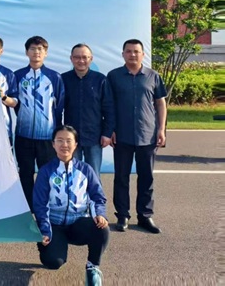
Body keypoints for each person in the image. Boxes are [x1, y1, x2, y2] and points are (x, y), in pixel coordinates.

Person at [33, 126, 109, 286]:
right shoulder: (45, 171)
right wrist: (45, 230)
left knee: (102, 228)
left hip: (77, 223)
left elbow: (97, 197)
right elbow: (40, 205)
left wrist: (99, 214)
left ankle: (92, 268)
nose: (64, 145)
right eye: (60, 141)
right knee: (54, 262)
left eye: (69, 141)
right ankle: (47, 245)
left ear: (75, 145)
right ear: (53, 144)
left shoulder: (86, 170)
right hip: (54, 225)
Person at [107, 39, 167, 234]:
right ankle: (122, 215)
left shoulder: (153, 76)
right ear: (123, 54)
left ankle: (145, 216)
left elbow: (160, 103)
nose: (132, 54)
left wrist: (161, 129)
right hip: (122, 135)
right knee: (121, 177)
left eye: (136, 51)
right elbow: (108, 105)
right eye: (129, 51)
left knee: (146, 178)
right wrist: (110, 129)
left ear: (143, 54)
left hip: (147, 135)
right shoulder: (114, 76)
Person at [13, 36, 65, 208]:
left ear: (46, 53)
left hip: (47, 137)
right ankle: (27, 209)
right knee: (25, 173)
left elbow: (59, 106)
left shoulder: (54, 77)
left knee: (47, 173)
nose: (36, 52)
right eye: (33, 49)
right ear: (26, 52)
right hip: (23, 134)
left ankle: (45, 208)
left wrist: (55, 131)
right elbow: (15, 103)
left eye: (40, 49)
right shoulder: (18, 75)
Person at [61, 43, 114, 180]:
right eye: (77, 57)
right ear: (71, 59)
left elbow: (109, 109)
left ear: (91, 59)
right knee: (72, 175)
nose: (81, 60)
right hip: (71, 137)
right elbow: (57, 108)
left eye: (85, 57)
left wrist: (107, 133)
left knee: (93, 175)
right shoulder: (63, 79)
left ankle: (95, 196)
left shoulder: (100, 80)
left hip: (94, 137)